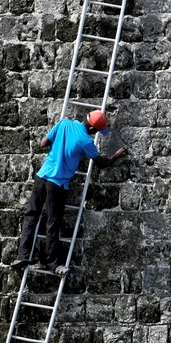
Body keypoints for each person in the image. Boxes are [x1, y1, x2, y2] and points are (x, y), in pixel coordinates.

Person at [12, 110, 127, 275]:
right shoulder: (86, 141)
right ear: (93, 130)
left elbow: (43, 143)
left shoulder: (64, 123)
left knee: (31, 215)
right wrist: (116, 156)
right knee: (52, 223)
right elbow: (102, 163)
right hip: (56, 183)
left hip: (41, 176)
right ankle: (51, 263)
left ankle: (22, 256)